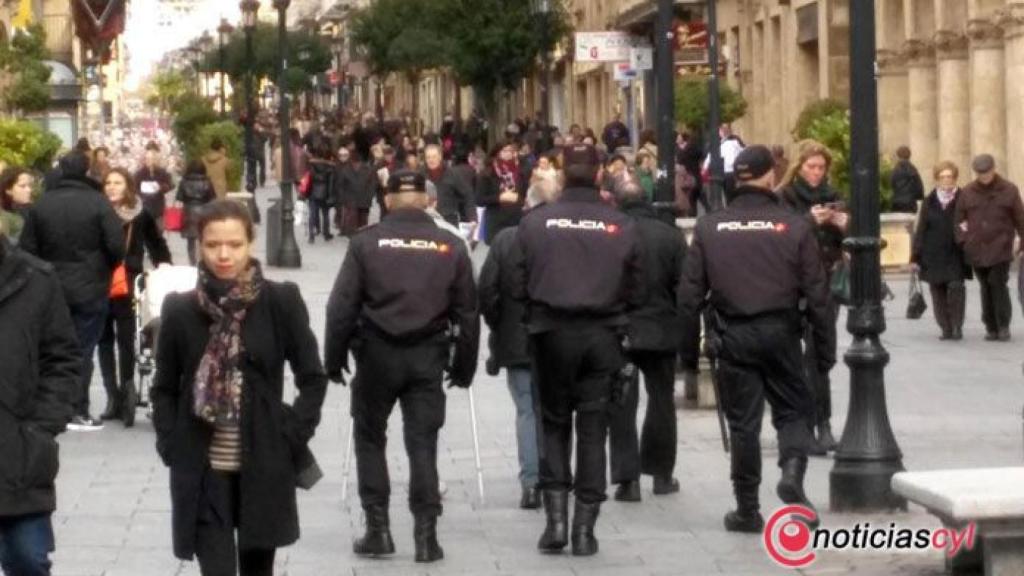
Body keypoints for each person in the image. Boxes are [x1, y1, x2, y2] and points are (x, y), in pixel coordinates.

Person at [152, 200, 328, 576]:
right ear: (199, 244)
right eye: (214, 244)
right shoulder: (181, 309)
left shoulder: (280, 301)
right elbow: (164, 386)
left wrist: (293, 432)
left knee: (257, 570)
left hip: (263, 461)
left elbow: (312, 375)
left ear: (250, 243)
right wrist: (170, 442)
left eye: (234, 243)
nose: (224, 254)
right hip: (203, 467)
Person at [325, 171, 479, 563]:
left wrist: (334, 356)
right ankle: (426, 535)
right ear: (427, 201)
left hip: (377, 353)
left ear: (388, 200)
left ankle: (378, 528)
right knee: (422, 443)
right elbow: (468, 313)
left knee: (370, 437)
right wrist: (464, 366)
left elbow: (341, 306)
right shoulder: (450, 245)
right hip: (427, 355)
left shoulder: (366, 242)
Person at [678, 145, 832, 533]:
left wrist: (686, 353)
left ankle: (747, 508)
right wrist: (824, 352)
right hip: (782, 332)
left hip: (733, 335)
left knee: (743, 424)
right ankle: (792, 475)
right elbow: (818, 294)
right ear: (769, 176)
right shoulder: (794, 226)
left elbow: (689, 295)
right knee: (794, 411)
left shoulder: (711, 227)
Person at [515, 144, 644, 557]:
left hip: (551, 332)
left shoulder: (536, 223)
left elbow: (519, 281)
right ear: (601, 174)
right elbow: (637, 286)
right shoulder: (621, 225)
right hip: (602, 334)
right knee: (593, 429)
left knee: (552, 423)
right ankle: (584, 529)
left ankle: (555, 523)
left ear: (564, 175)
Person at [20, 151, 125, 431]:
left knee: (51, 349)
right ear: (87, 170)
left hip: (51, 286)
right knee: (82, 348)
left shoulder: (42, 204)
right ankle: (78, 408)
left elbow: (26, 249)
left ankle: (52, 408)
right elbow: (116, 246)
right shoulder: (98, 203)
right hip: (90, 286)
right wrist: (102, 269)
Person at [0, 216, 80, 576]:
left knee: (28, 560)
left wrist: (41, 427)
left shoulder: (35, 279)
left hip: (20, 452)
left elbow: (62, 358)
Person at [607, 173, 689, 503]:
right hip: (660, 328)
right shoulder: (670, 236)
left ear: (617, 202)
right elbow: (683, 288)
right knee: (661, 400)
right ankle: (661, 472)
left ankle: (627, 480)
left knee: (622, 403)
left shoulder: (612, 236)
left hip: (621, 328)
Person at [478, 180, 557, 511]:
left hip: (518, 338)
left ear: (527, 204)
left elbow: (486, 290)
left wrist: (499, 325)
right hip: (558, 338)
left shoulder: (506, 240)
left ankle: (531, 483)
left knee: (526, 410)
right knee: (556, 411)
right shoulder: (564, 241)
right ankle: (558, 477)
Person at [778, 139, 848, 455]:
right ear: (800, 166)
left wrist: (844, 224)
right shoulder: (785, 197)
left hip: (826, 283)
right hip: (791, 285)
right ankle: (801, 425)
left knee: (819, 357)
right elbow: (780, 236)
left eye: (821, 168)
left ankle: (824, 425)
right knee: (794, 359)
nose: (817, 173)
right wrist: (809, 221)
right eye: (811, 167)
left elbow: (855, 236)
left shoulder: (834, 197)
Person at [98, 168, 172, 422]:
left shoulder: (140, 213)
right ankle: (111, 397)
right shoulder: (96, 211)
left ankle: (127, 389)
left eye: (117, 182)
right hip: (98, 281)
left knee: (127, 338)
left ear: (127, 185)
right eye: (108, 182)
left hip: (129, 281)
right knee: (103, 339)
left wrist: (164, 266)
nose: (112, 186)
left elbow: (156, 242)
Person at [955, 154, 1024, 342]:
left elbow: (1020, 219)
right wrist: (963, 240)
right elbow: (959, 220)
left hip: (1000, 247)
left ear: (994, 169)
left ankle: (1003, 325)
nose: (984, 176)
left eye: (986, 172)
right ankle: (990, 326)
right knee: (985, 286)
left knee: (998, 284)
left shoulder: (1009, 190)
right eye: (980, 173)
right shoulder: (968, 192)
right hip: (976, 247)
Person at [911, 161, 971, 341]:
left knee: (956, 287)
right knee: (937, 291)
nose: (946, 180)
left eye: (950, 176)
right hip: (932, 253)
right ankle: (945, 327)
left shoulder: (964, 198)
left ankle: (957, 325)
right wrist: (915, 257)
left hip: (955, 252)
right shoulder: (929, 201)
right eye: (943, 176)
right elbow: (921, 229)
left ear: (955, 177)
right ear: (937, 179)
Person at [477, 142, 527, 244]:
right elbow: (479, 199)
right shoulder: (488, 173)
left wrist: (520, 199)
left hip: (516, 220)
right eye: (505, 150)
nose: (508, 153)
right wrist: (500, 198)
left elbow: (526, 194)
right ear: (498, 152)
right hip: (496, 221)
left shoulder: (522, 171)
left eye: (511, 151)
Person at [176, 160, 217, 265]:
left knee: (190, 241)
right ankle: (202, 261)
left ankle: (192, 262)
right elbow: (213, 198)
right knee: (203, 238)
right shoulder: (207, 182)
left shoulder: (184, 182)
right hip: (203, 211)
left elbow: (179, 198)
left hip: (188, 211)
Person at [424, 144, 475, 228]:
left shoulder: (453, 174)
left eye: (434, 157)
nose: (431, 160)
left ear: (440, 157)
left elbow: (468, 195)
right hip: (427, 221)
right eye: (428, 157)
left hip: (449, 220)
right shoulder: (421, 175)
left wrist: (472, 218)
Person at [335, 150, 377, 236]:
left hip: (363, 199)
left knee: (362, 220)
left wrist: (370, 195)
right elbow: (341, 186)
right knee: (354, 220)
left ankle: (359, 236)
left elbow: (373, 184)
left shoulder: (368, 170)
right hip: (352, 200)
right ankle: (354, 236)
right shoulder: (347, 170)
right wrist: (344, 198)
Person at [134, 142, 175, 226]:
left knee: (158, 231)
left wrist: (160, 187)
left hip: (158, 207)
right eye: (147, 159)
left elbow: (170, 185)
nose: (149, 161)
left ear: (156, 159)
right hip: (144, 207)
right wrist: (142, 191)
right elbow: (134, 187)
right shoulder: (140, 173)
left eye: (151, 158)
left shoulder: (162, 172)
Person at [306, 142, 337, 244]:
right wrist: (331, 195)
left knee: (312, 213)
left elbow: (310, 177)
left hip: (313, 191)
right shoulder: (331, 166)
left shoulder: (311, 164)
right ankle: (326, 234)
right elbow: (331, 183)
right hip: (325, 192)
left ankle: (311, 235)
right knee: (325, 214)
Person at [0, 167, 35, 244]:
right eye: (22, 186)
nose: (29, 190)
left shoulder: (32, 210)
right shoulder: (4, 216)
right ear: (8, 190)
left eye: (30, 186)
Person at [890, 146, 926, 214]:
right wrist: (921, 199)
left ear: (898, 155)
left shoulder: (895, 170)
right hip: (910, 202)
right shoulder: (912, 169)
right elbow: (919, 186)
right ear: (909, 155)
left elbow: (892, 184)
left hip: (897, 202)